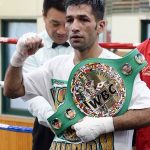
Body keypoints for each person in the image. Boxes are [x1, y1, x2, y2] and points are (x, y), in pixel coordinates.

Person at [3, 0, 150, 149]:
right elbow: (11, 90)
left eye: (83, 19)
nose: (74, 27)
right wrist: (19, 57)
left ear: (100, 26)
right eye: (69, 20)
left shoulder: (119, 68)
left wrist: (106, 124)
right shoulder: (54, 66)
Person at [22, 0, 73, 149]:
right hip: (45, 126)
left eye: (67, 22)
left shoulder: (84, 44)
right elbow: (31, 93)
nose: (62, 31)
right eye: (55, 24)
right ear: (43, 16)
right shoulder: (31, 48)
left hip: (83, 123)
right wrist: (53, 119)